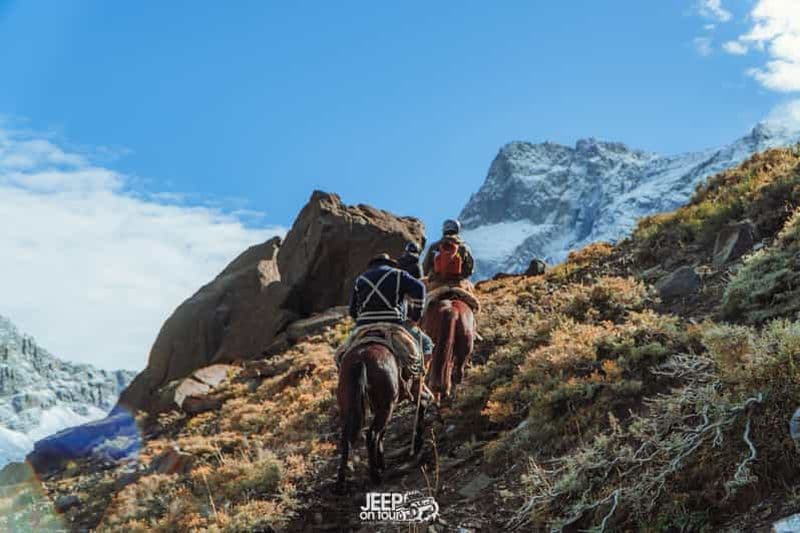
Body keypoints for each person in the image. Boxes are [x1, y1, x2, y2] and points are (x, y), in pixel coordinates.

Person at [344, 253, 434, 372]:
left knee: (341, 355)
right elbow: (420, 288)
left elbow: (352, 311)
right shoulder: (399, 274)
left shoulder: (361, 279)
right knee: (426, 344)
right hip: (393, 324)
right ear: (390, 264)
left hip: (364, 325)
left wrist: (362, 319)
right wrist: (415, 317)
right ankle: (419, 382)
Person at [422, 219, 475, 291]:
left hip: (436, 284)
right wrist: (462, 276)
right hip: (458, 284)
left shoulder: (434, 247)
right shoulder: (463, 247)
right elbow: (470, 268)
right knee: (473, 300)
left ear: (444, 230)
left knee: (420, 298)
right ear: (457, 229)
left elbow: (425, 267)